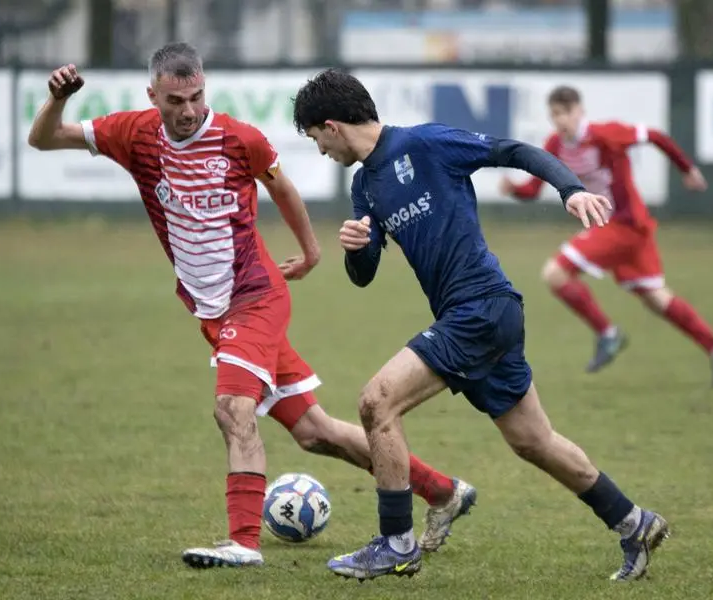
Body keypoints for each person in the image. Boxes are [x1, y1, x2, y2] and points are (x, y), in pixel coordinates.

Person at [27, 44, 476, 570]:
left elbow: (282, 188)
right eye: (176, 100)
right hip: (212, 312)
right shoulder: (133, 133)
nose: (189, 109)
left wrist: (310, 253)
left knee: (232, 410)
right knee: (315, 433)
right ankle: (443, 491)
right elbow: (44, 138)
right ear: (154, 96)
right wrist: (55, 100)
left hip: (256, 297)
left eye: (197, 96)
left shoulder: (239, 138)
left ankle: (243, 541)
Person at [292, 68, 670, 583]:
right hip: (474, 317)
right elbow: (364, 277)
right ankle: (635, 522)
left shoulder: (426, 143)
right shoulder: (364, 186)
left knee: (376, 402)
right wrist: (358, 250)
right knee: (533, 441)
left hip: (483, 307)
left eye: (316, 139)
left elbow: (513, 151)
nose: (319, 151)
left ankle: (396, 544)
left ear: (332, 125)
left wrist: (570, 189)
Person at [500, 85, 713, 385]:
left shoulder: (606, 134)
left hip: (624, 224)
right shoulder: (555, 144)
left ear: (579, 111)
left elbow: (656, 136)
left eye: (565, 113)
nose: (560, 121)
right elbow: (533, 190)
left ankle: (608, 333)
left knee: (555, 274)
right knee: (656, 299)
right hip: (621, 229)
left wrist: (687, 169)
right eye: (554, 115)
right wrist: (513, 189)